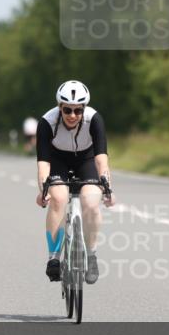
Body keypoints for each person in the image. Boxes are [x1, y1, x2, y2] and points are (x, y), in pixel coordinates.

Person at [35, 80, 113, 284]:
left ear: (84, 109)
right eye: (67, 110)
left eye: (78, 110)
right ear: (59, 107)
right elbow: (43, 163)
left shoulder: (94, 119)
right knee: (59, 198)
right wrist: (44, 190)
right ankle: (54, 258)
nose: (72, 115)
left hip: (86, 159)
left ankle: (92, 256)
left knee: (91, 202)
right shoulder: (47, 122)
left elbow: (101, 159)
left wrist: (107, 187)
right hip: (57, 160)